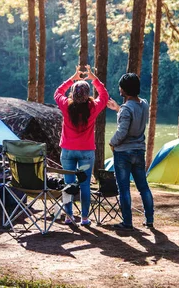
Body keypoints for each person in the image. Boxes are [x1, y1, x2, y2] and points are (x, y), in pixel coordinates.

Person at [54, 64, 109, 226]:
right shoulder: (93, 107)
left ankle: (69, 216)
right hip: (86, 153)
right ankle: (84, 218)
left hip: (68, 152)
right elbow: (104, 96)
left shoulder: (65, 105)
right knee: (85, 185)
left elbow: (57, 92)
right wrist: (95, 80)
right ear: (87, 95)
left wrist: (72, 79)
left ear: (73, 94)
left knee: (68, 184)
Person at [107, 73, 154, 230]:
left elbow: (122, 131)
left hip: (124, 153)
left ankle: (127, 223)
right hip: (139, 151)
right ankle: (149, 219)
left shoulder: (127, 108)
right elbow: (132, 115)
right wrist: (117, 109)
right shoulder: (144, 104)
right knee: (143, 187)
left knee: (124, 189)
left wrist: (112, 143)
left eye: (121, 86)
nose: (119, 89)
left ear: (125, 90)